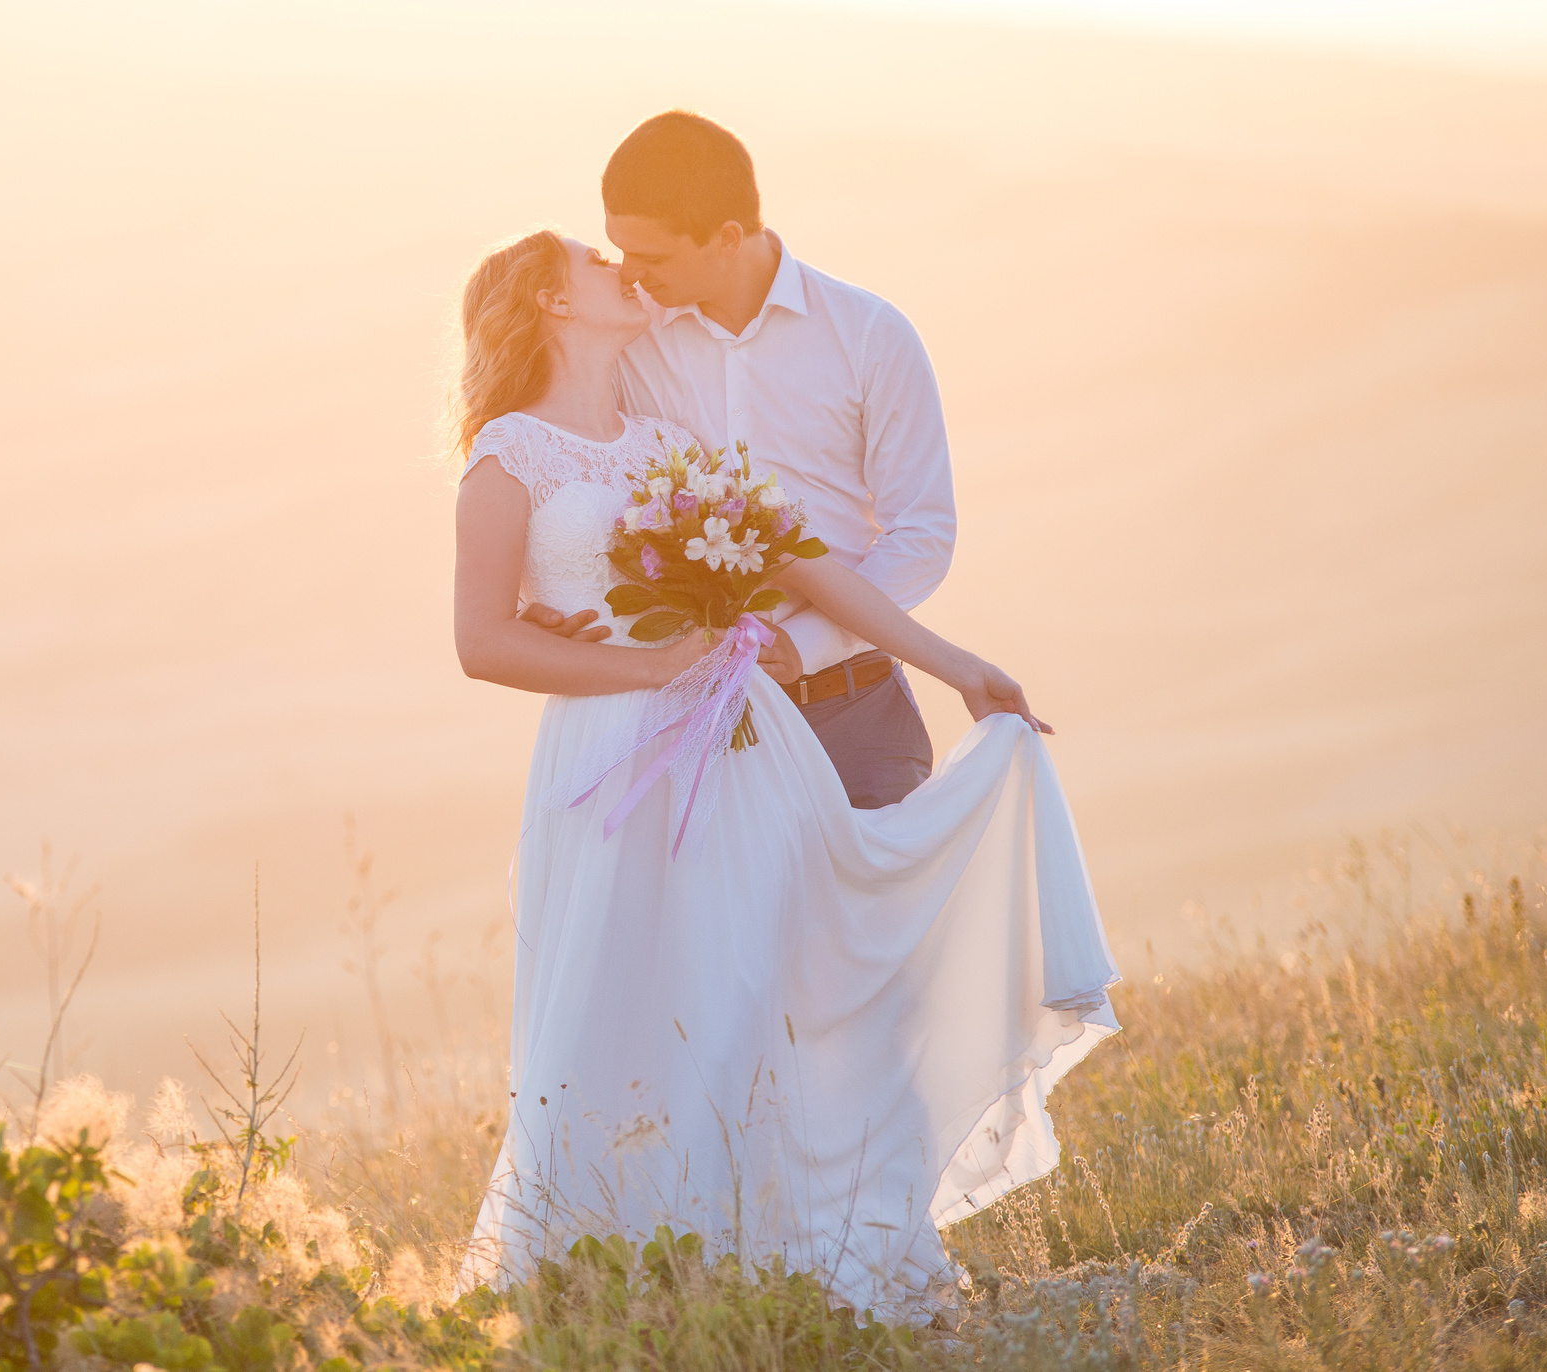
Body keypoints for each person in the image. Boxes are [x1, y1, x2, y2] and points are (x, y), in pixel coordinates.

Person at [449, 225, 1118, 1319]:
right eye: (590, 259)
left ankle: (778, 1250)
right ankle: (602, 1277)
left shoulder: (667, 440)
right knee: (626, 994)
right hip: (609, 762)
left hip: (740, 747)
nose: (620, 265)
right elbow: (481, 641)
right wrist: (641, 663)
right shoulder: (506, 456)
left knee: (750, 981)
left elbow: (806, 559)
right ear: (550, 305)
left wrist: (956, 664)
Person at [523, 111, 956, 811]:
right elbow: (572, 468)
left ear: (728, 238)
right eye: (617, 251)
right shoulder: (629, 344)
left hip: (854, 712)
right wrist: (544, 597)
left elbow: (923, 536)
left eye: (652, 258)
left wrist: (808, 641)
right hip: (685, 725)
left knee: (870, 920)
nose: (629, 275)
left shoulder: (871, 337)